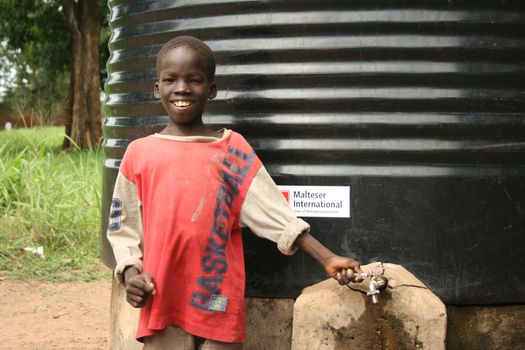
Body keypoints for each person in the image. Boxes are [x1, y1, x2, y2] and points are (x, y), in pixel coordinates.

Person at [107, 35, 362, 350]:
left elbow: (275, 215)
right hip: (162, 297)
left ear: (211, 89)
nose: (182, 88)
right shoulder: (139, 154)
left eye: (195, 80)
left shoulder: (232, 150)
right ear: (157, 88)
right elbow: (123, 229)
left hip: (218, 300)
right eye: (171, 79)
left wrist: (328, 258)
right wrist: (132, 274)